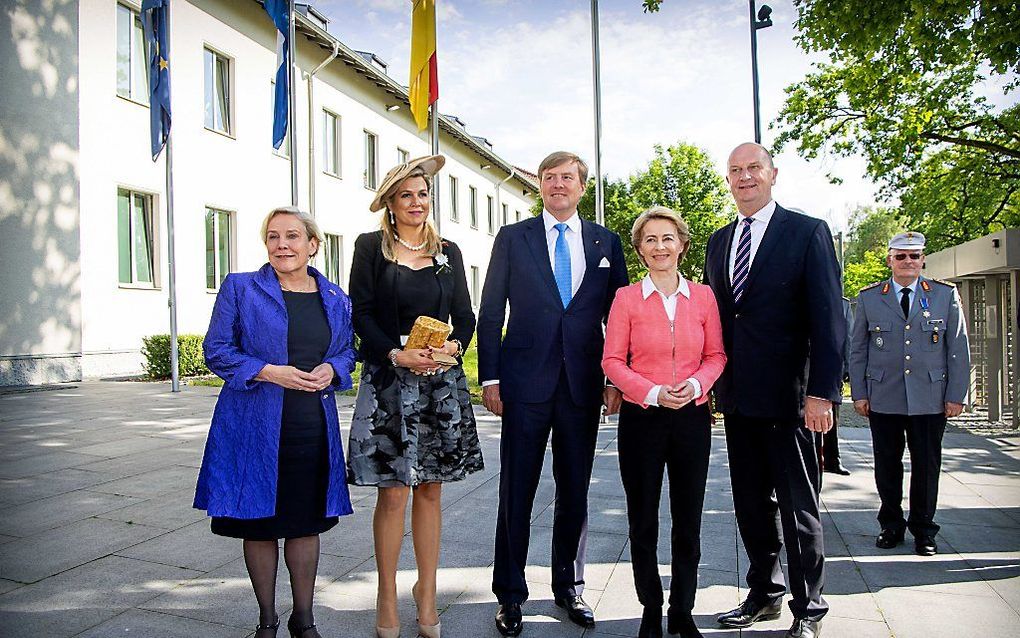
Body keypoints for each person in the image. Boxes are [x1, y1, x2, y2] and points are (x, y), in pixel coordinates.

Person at [478, 151, 628, 636]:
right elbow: (490, 309)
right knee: (516, 492)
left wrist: (614, 378)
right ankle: (510, 594)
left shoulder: (606, 242)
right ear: (539, 186)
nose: (557, 184)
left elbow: (620, 318)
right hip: (523, 384)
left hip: (582, 386)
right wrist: (490, 377)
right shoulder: (512, 238)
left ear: (583, 186)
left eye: (567, 177)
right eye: (549, 177)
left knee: (575, 492)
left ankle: (569, 587)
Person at [194, 206, 357, 638]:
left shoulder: (336, 298)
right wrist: (268, 371)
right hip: (254, 424)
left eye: (292, 236)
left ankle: (303, 618)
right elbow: (217, 350)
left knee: (305, 522)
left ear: (313, 245)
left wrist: (333, 370)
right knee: (259, 522)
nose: (282, 245)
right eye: (273, 237)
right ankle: (267, 618)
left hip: (310, 425)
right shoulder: (242, 288)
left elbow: (347, 352)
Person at [703, 142, 845, 638]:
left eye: (753, 168)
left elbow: (830, 318)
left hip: (792, 400)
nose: (744, 177)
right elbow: (717, 320)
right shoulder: (719, 242)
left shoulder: (807, 233)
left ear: (772, 173)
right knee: (748, 503)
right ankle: (764, 593)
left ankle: (810, 609)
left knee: (798, 507)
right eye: (735, 169)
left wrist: (823, 392)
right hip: (738, 398)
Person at [346, 155, 483, 638]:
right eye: (406, 195)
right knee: (394, 493)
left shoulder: (449, 251)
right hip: (390, 380)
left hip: (440, 386)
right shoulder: (369, 248)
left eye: (423, 194)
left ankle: (426, 592)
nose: (417, 203)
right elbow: (359, 312)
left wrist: (453, 347)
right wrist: (395, 353)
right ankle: (387, 595)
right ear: (389, 203)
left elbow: (465, 316)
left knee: (431, 491)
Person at [602, 207, 726, 638]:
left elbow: (717, 356)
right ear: (639, 249)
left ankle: (683, 609)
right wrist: (652, 393)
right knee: (643, 518)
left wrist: (694, 386)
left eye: (668, 238)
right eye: (650, 239)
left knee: (688, 517)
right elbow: (613, 360)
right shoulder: (625, 299)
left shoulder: (705, 297)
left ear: (682, 245)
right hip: (643, 420)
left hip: (692, 419)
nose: (660, 247)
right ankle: (651, 607)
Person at [849, 231, 970, 556]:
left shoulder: (945, 295)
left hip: (929, 396)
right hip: (884, 396)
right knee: (886, 464)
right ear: (890, 260)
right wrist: (858, 392)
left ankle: (924, 530)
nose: (907, 262)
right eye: (900, 256)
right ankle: (890, 525)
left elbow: (957, 348)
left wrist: (956, 394)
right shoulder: (871, 297)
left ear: (922, 259)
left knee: (926, 466)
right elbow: (857, 349)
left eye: (914, 256)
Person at [818, 296, 853, 477]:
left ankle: (832, 459)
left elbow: (848, 338)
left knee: (832, 420)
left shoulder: (843, 303)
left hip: (833, 370)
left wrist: (846, 370)